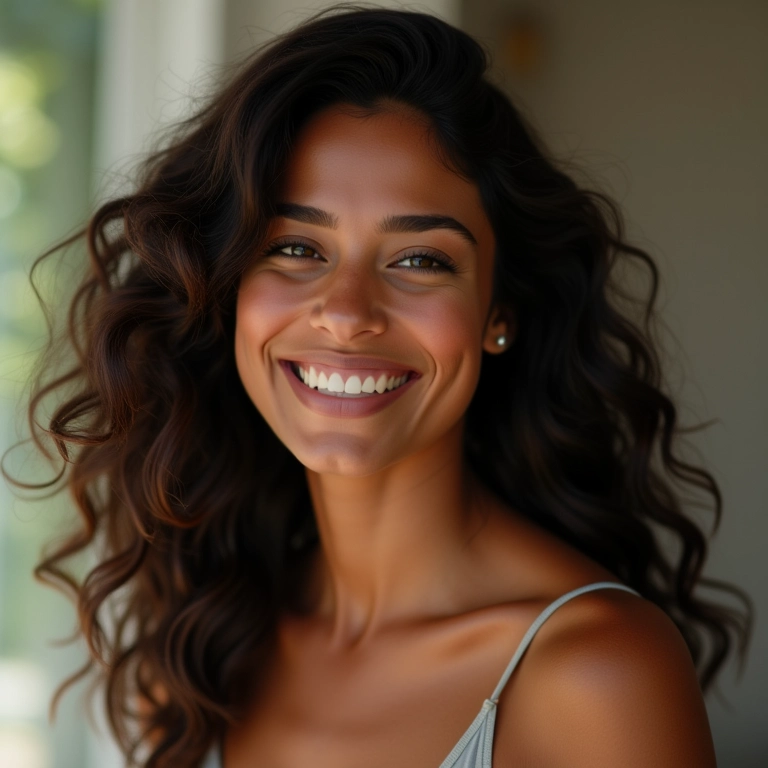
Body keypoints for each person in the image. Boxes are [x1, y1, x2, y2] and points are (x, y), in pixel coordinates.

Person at [19, 6, 751, 767]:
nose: (345, 314)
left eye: (420, 260)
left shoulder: (597, 674)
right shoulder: (196, 650)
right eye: (297, 247)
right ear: (225, 288)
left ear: (498, 311)